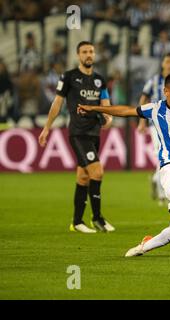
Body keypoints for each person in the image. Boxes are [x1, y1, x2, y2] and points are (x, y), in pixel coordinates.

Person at [78, 72, 170, 259]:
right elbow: (125, 111)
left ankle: (143, 247)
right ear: (166, 92)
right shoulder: (156, 109)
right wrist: (95, 109)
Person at [38, 41, 115, 233]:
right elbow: (57, 103)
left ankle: (77, 222)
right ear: (78, 55)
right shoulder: (69, 77)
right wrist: (47, 128)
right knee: (97, 172)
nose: (88, 55)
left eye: (91, 51)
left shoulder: (99, 80)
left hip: (94, 134)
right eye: (84, 52)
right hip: (78, 134)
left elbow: (106, 107)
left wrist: (108, 119)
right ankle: (97, 218)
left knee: (83, 177)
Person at [137, 52, 170, 206]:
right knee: (163, 154)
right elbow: (143, 98)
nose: (169, 65)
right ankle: (162, 193)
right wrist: (141, 121)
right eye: (167, 61)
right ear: (162, 64)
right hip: (155, 124)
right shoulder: (154, 81)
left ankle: (156, 179)